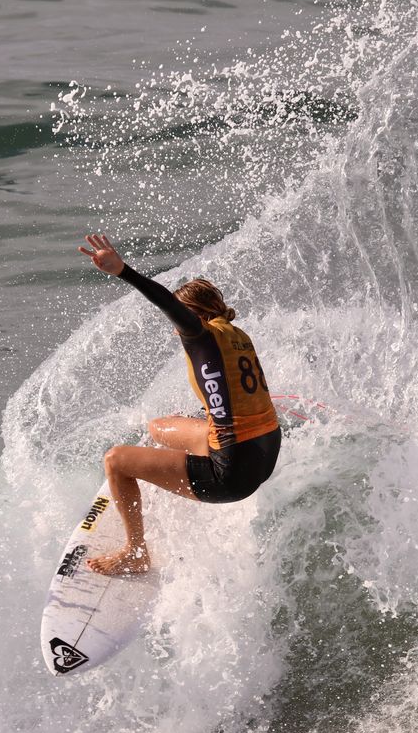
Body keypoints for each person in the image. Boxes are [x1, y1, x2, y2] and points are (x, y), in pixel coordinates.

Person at [77, 233, 282, 575]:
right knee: (159, 427)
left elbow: (167, 304)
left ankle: (135, 552)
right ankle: (165, 467)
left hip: (230, 474)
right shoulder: (235, 333)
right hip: (266, 451)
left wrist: (122, 271)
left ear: (193, 316)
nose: (175, 329)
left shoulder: (201, 334)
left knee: (114, 460)